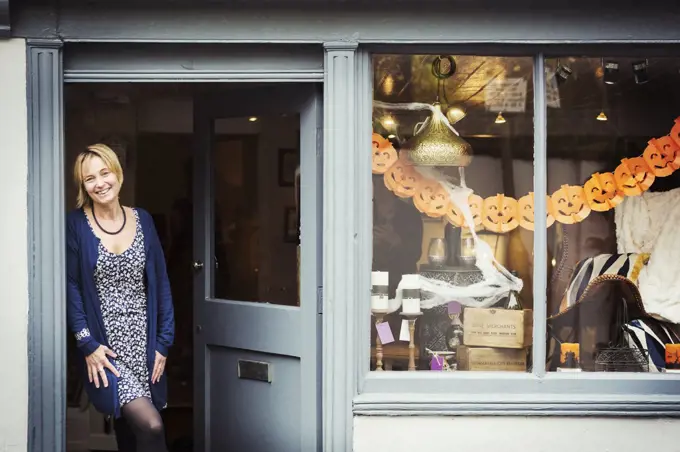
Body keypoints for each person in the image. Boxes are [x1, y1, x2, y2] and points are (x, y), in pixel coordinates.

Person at [66, 143, 175, 452]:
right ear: (83, 186)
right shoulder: (75, 225)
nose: (100, 183)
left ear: (118, 174)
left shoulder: (143, 220)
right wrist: (87, 343)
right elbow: (71, 287)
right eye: (90, 178)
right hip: (106, 350)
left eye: (105, 173)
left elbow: (161, 283)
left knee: (132, 431)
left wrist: (164, 341)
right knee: (151, 426)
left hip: (145, 344)